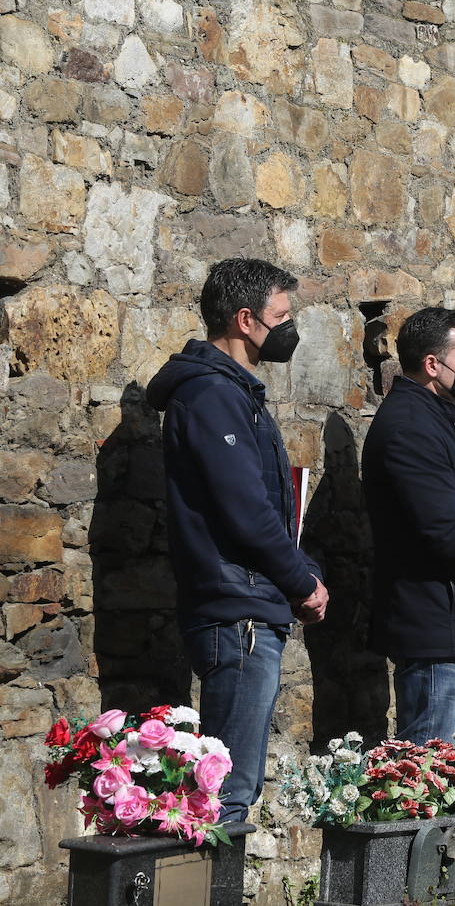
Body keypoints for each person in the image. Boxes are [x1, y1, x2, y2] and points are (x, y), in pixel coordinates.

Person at [147, 257, 329, 823]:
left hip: (246, 605)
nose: (289, 328)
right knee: (226, 794)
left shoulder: (233, 393)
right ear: (245, 320)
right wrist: (301, 581)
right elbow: (246, 512)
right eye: (282, 316)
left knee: (230, 786)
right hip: (237, 611)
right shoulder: (211, 395)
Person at [361, 307, 455, 758]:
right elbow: (442, 528)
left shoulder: (441, 419)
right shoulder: (409, 426)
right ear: (433, 365)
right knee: (428, 770)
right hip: (435, 627)